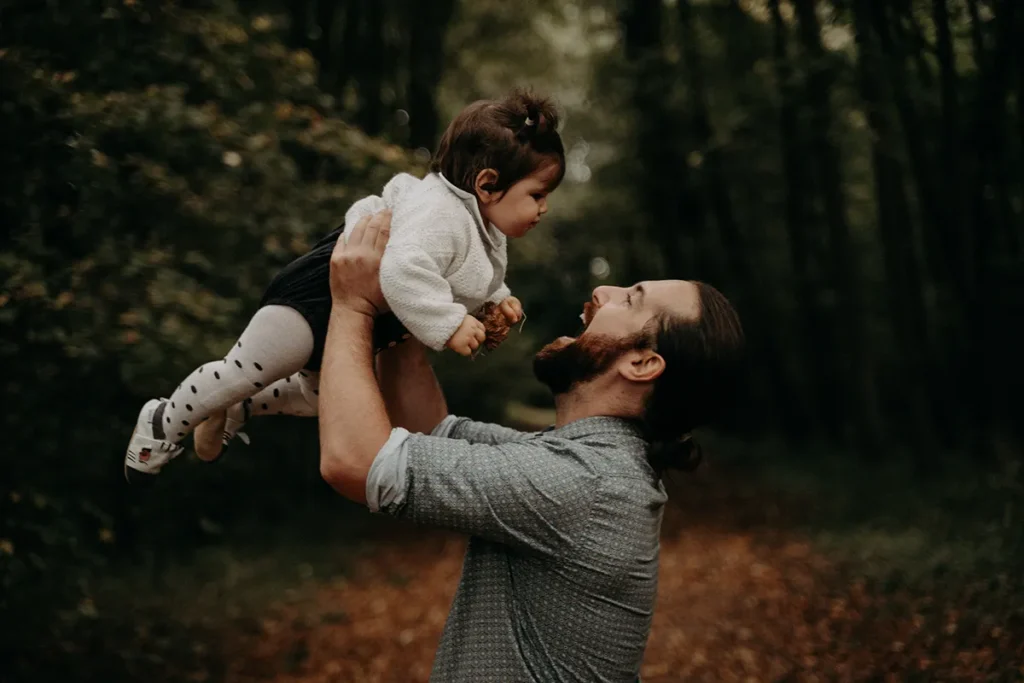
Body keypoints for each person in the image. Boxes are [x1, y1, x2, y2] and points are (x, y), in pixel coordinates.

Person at [321, 211, 746, 681]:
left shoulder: (585, 482)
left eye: (630, 298)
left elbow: (354, 462)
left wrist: (354, 306)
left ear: (643, 363)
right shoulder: (583, 461)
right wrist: (405, 299)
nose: (603, 293)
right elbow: (427, 429)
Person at [125, 89, 565, 475]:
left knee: (321, 400)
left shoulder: (484, 228)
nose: (543, 209)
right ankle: (162, 421)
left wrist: (496, 301)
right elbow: (403, 271)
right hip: (316, 294)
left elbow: (475, 276)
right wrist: (449, 324)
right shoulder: (440, 213)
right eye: (538, 195)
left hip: (358, 315)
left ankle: (236, 405)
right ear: (487, 185)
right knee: (250, 368)